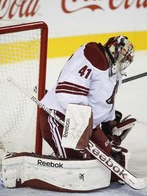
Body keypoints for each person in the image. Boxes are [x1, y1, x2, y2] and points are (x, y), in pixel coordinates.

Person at [40, 36, 136, 177]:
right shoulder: (92, 58)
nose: (122, 63)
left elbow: (103, 101)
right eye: (122, 58)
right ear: (114, 52)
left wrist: (110, 122)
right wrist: (84, 126)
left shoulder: (113, 72)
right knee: (77, 166)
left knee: (111, 166)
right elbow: (67, 95)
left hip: (87, 125)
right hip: (61, 119)